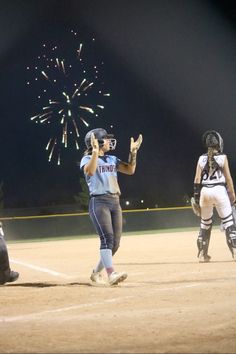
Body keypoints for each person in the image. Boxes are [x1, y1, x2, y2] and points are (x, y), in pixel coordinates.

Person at [80, 128, 143, 285]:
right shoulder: (87, 159)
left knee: (115, 244)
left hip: (115, 202)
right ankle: (111, 274)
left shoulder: (112, 159)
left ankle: (96, 273)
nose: (109, 141)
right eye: (106, 139)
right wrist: (95, 152)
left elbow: (130, 170)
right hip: (99, 202)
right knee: (107, 238)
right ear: (98, 142)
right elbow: (90, 171)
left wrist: (133, 153)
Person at [193, 130, 236, 262]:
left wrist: (196, 197)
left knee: (205, 224)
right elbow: (228, 179)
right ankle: (234, 249)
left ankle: (202, 254)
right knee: (229, 222)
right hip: (219, 190)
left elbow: (197, 179)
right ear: (219, 144)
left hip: (205, 191)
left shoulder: (201, 158)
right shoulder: (222, 157)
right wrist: (232, 193)